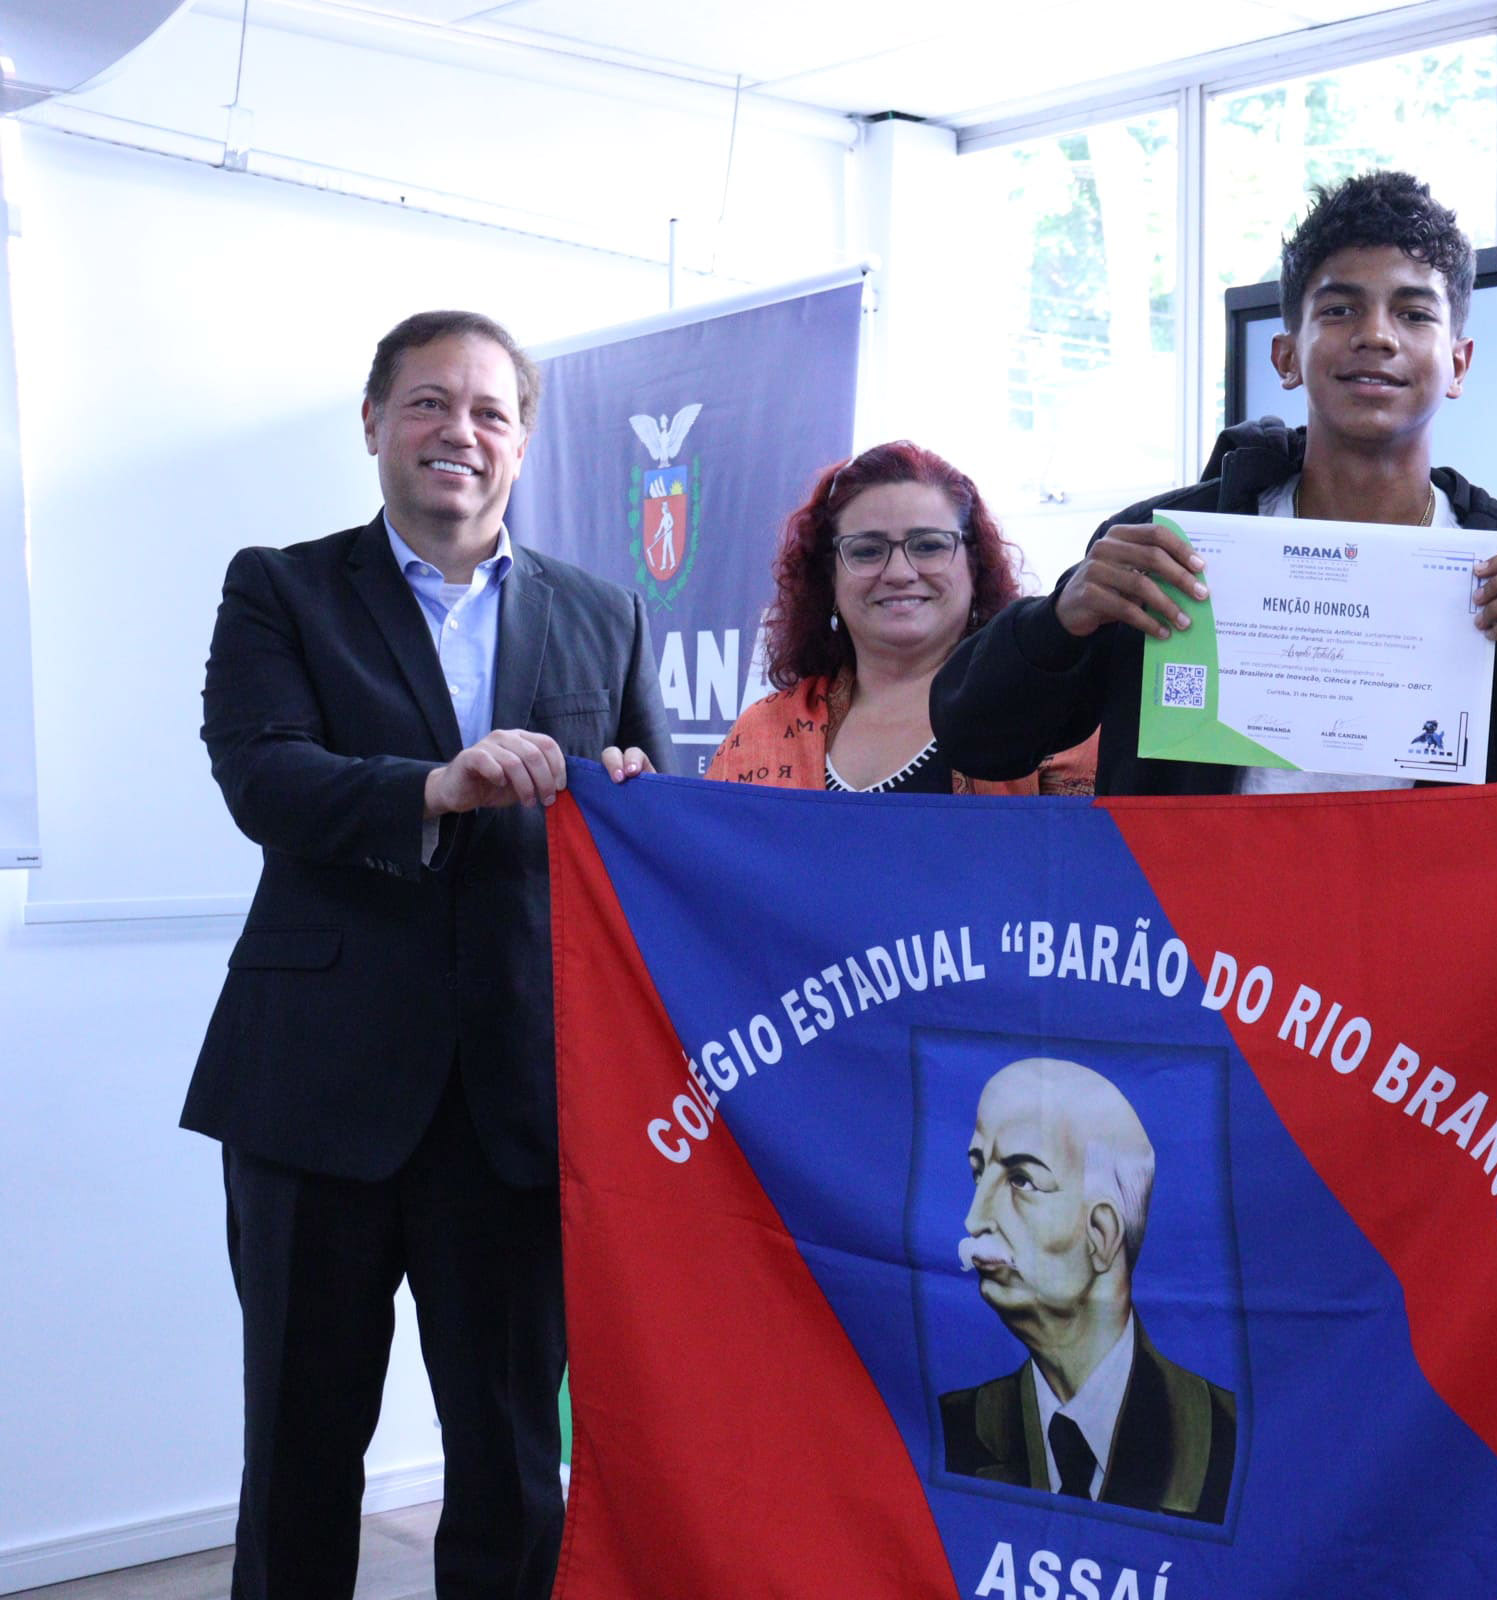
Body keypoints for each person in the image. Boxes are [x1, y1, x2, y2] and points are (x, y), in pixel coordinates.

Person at [184, 310, 668, 1599]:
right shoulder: (280, 588)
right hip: (313, 1093)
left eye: (490, 411)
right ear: (373, 424)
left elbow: (647, 822)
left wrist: (632, 791)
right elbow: (263, 776)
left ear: (523, 443)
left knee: (511, 1466)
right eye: (428, 403)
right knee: (299, 1455)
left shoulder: (605, 612)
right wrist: (434, 785)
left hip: (519, 1102)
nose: (461, 431)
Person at [932, 170, 1497, 794]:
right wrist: (1060, 620)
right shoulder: (1163, 553)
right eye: (1339, 309)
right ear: (1286, 356)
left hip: (1433, 906)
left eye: (1415, 313)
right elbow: (979, 740)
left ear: (1459, 364)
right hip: (1190, 906)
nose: (1378, 336)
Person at [944, 1058, 1236, 1523]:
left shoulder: (1226, 1439)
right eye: (979, 1174)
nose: (974, 1218)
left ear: (1101, 1234)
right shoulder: (946, 1430)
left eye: (1020, 1179)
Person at [712, 441, 1092, 796]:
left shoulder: (1054, 718)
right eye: (867, 551)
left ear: (974, 567)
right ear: (830, 577)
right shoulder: (761, 731)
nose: (899, 572)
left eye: (928, 546)